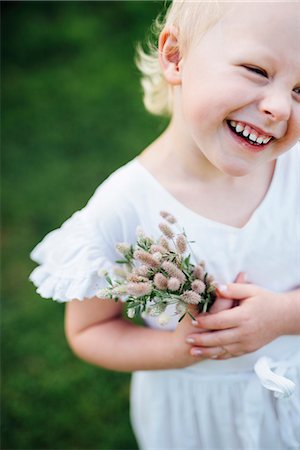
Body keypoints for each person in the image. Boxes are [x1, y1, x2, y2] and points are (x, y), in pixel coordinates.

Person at [29, 1, 300, 449]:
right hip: (196, 423)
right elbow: (89, 331)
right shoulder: (124, 208)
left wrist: (283, 316)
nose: (277, 107)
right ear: (175, 57)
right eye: (256, 69)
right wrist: (180, 348)